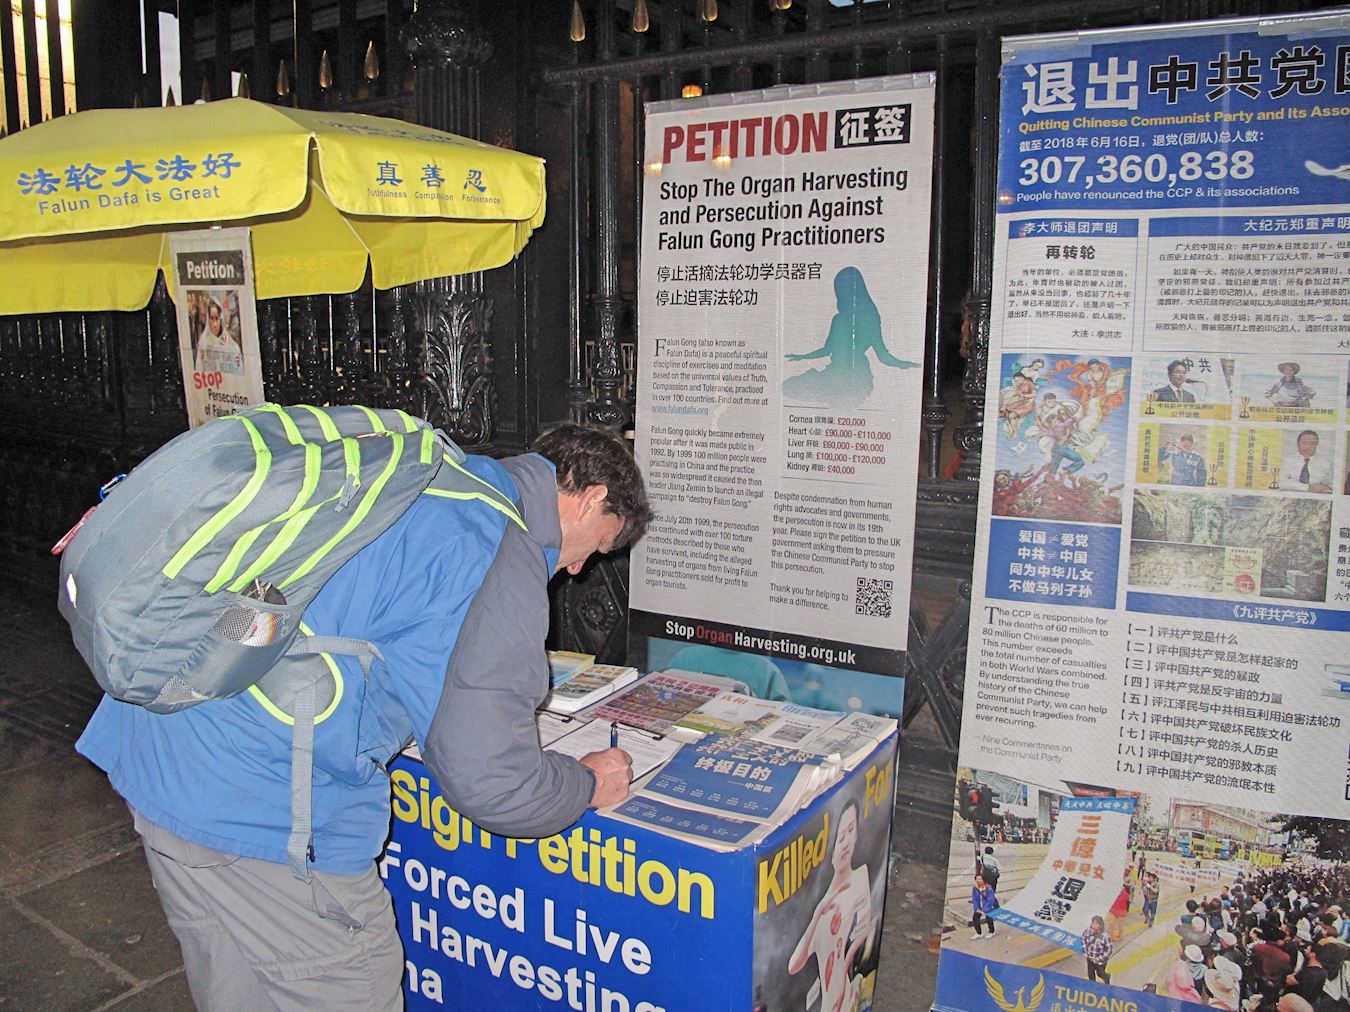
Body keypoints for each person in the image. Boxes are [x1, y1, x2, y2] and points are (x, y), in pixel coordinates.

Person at [75, 422, 652, 1009]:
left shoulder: (427, 473)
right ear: (592, 498)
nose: (577, 568)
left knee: (238, 987)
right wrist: (585, 784)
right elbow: (493, 780)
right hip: (262, 811)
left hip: (161, 747)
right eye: (598, 545)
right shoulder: (494, 540)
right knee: (353, 982)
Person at [783, 266, 917, 409]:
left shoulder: (869, 318)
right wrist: (803, 356)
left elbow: (883, 355)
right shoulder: (839, 319)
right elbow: (827, 350)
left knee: (836, 399)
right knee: (789, 387)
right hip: (835, 373)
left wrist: (906, 365)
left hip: (856, 377)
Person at [788, 802, 875, 1012]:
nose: (845, 843)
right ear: (832, 848)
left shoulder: (860, 877)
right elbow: (793, 966)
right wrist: (818, 914)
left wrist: (845, 967)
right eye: (840, 837)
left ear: (857, 835)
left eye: (851, 831)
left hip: (847, 996)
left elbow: (867, 928)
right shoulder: (822, 909)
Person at [193, 296, 243, 375]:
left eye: (216, 318)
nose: (214, 324)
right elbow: (199, 369)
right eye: (212, 318)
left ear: (220, 318)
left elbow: (239, 369)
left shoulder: (232, 345)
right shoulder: (203, 342)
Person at [1082, 915, 1114, 984]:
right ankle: (1092, 985)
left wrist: (1099, 958)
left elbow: (1109, 949)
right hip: (1090, 958)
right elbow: (1083, 940)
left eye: (1097, 924)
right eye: (1093, 923)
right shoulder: (1087, 931)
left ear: (1101, 925)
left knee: (1100, 973)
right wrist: (1085, 953)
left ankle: (1106, 978)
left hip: (1100, 961)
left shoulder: (1105, 936)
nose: (1094, 926)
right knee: (1090, 973)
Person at [968, 874, 999, 941]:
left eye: (980, 879)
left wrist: (985, 910)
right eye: (977, 879)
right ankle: (979, 933)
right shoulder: (975, 888)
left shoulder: (989, 888)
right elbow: (974, 899)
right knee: (975, 918)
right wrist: (977, 908)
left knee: (988, 918)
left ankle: (992, 932)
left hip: (989, 906)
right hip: (980, 906)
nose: (978, 880)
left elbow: (990, 900)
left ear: (983, 880)